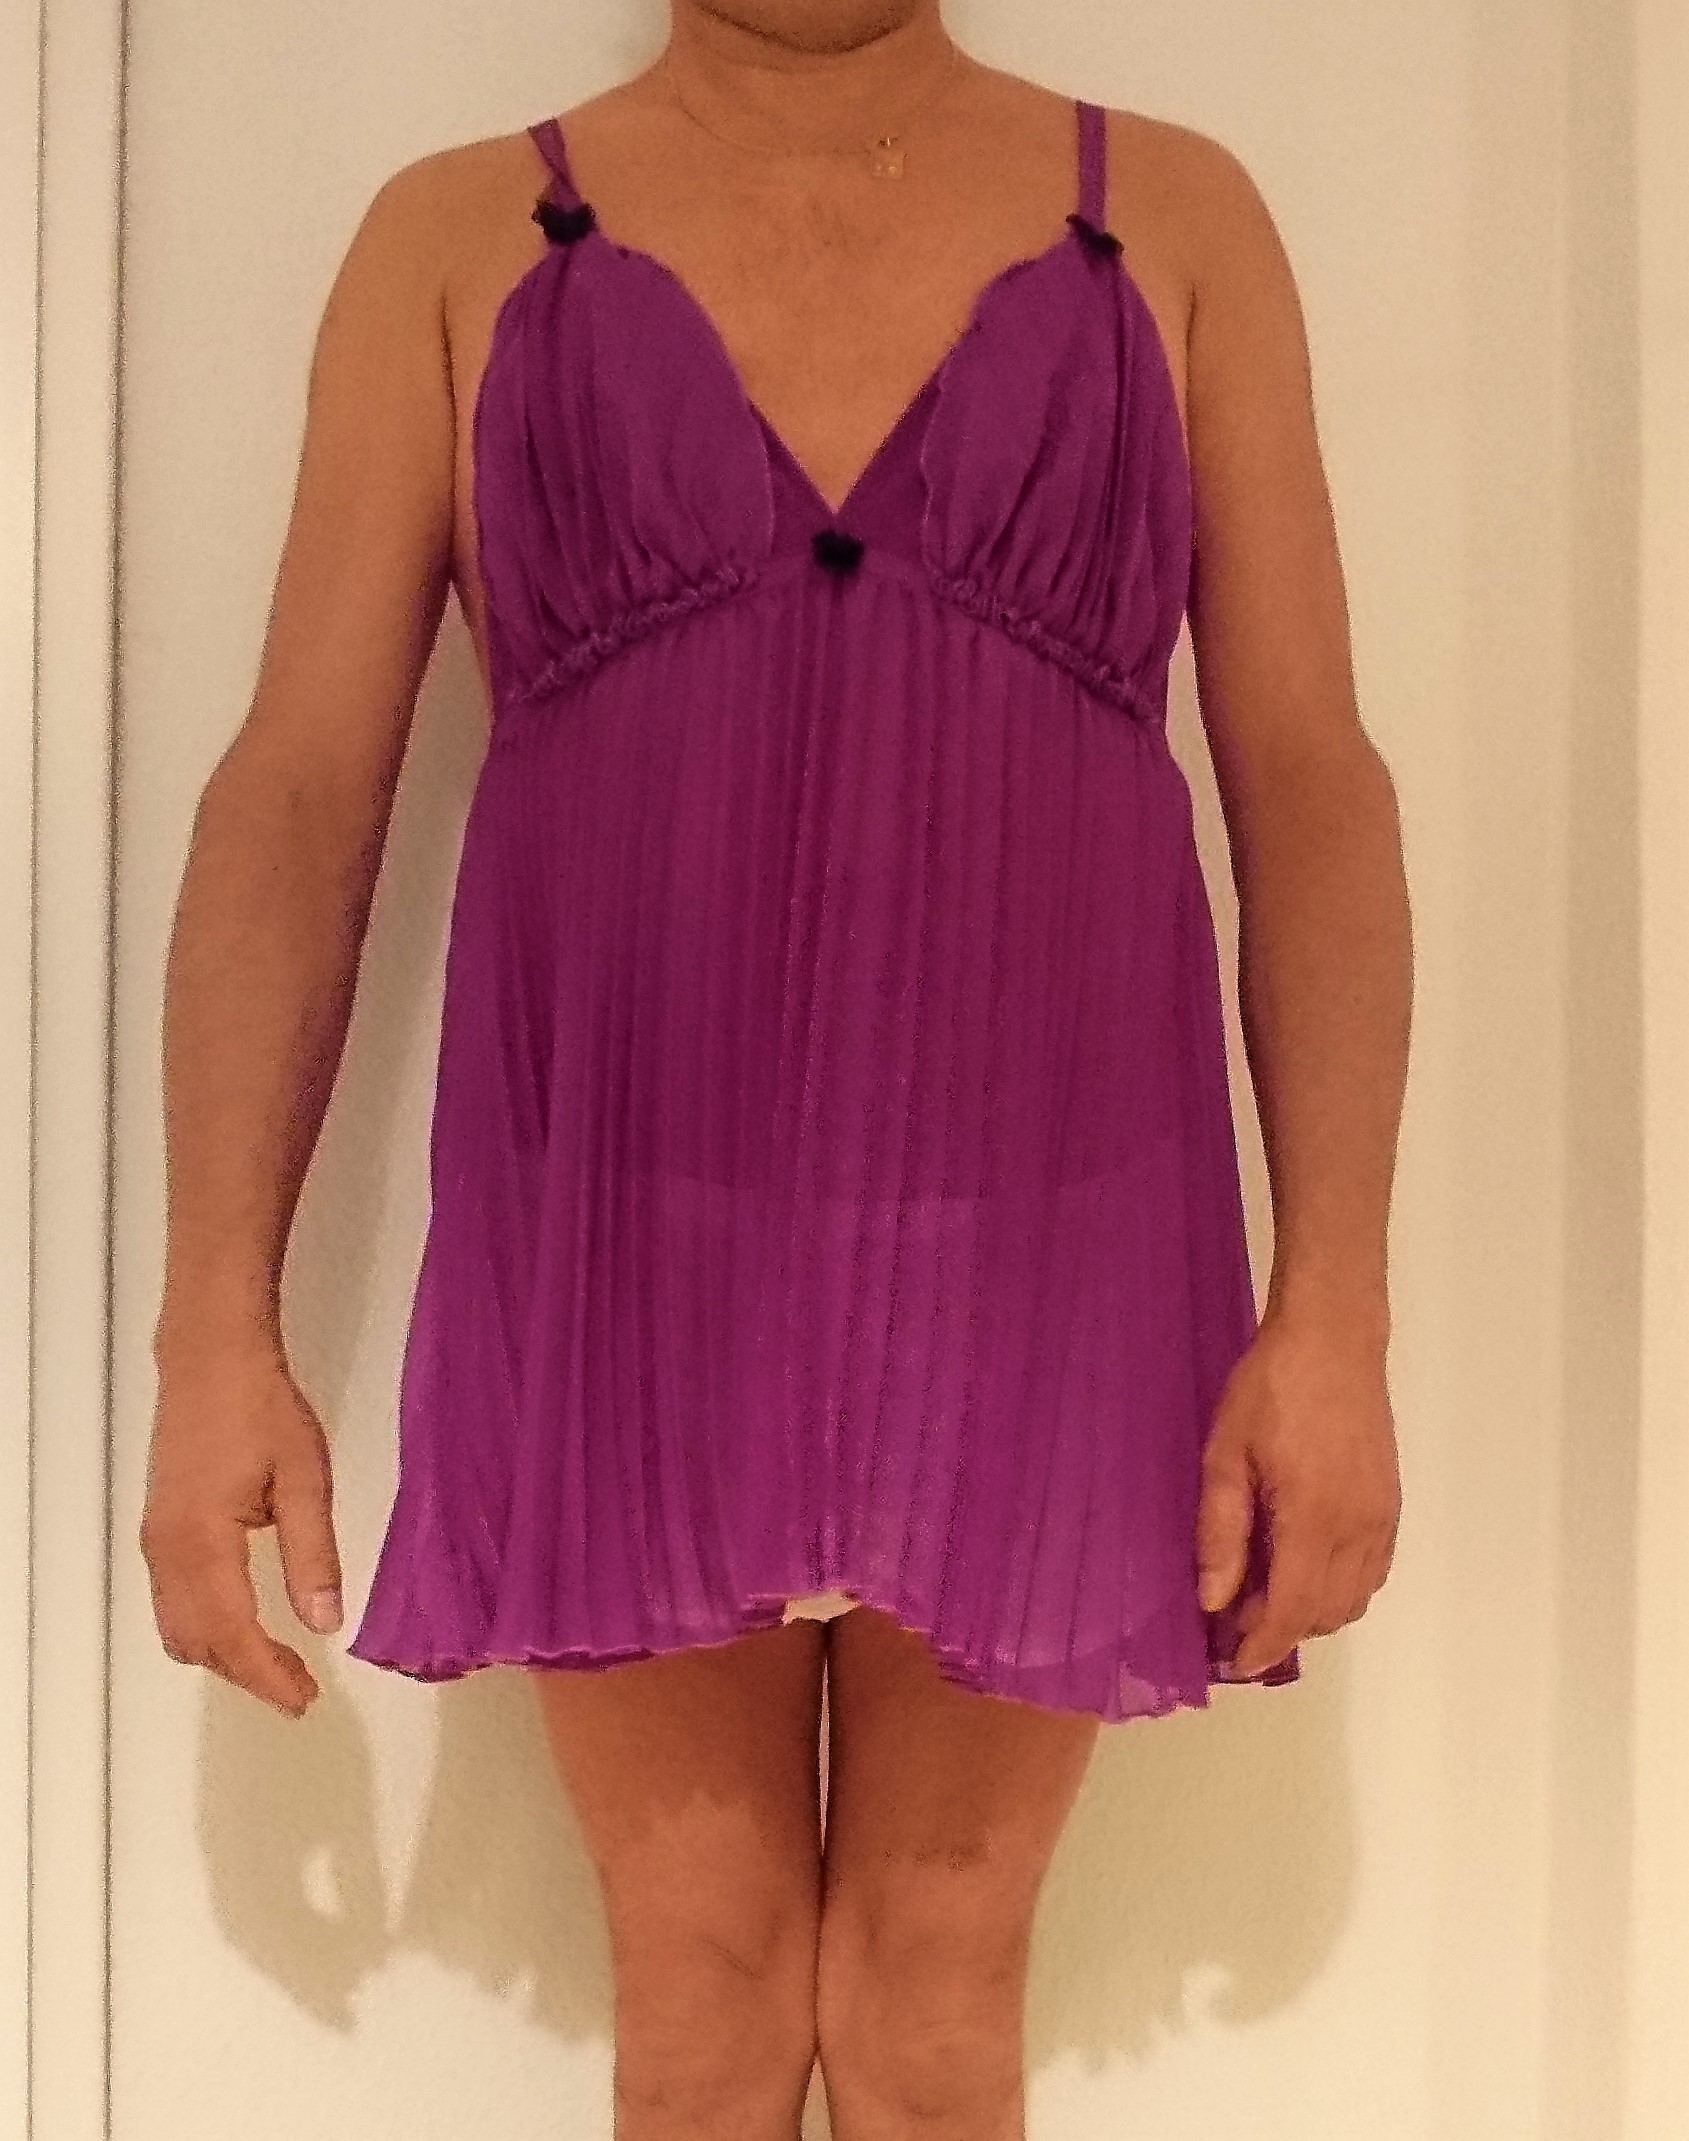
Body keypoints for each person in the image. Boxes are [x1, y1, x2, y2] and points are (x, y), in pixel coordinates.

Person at [141, 4, 1411, 2135]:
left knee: (932, 2008)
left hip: (1052, 1239)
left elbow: (1309, 781)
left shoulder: (1173, 218)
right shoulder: (451, 238)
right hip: (621, 1242)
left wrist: (1336, 1311)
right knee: (705, 2002)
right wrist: (212, 1333)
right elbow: (292, 795)